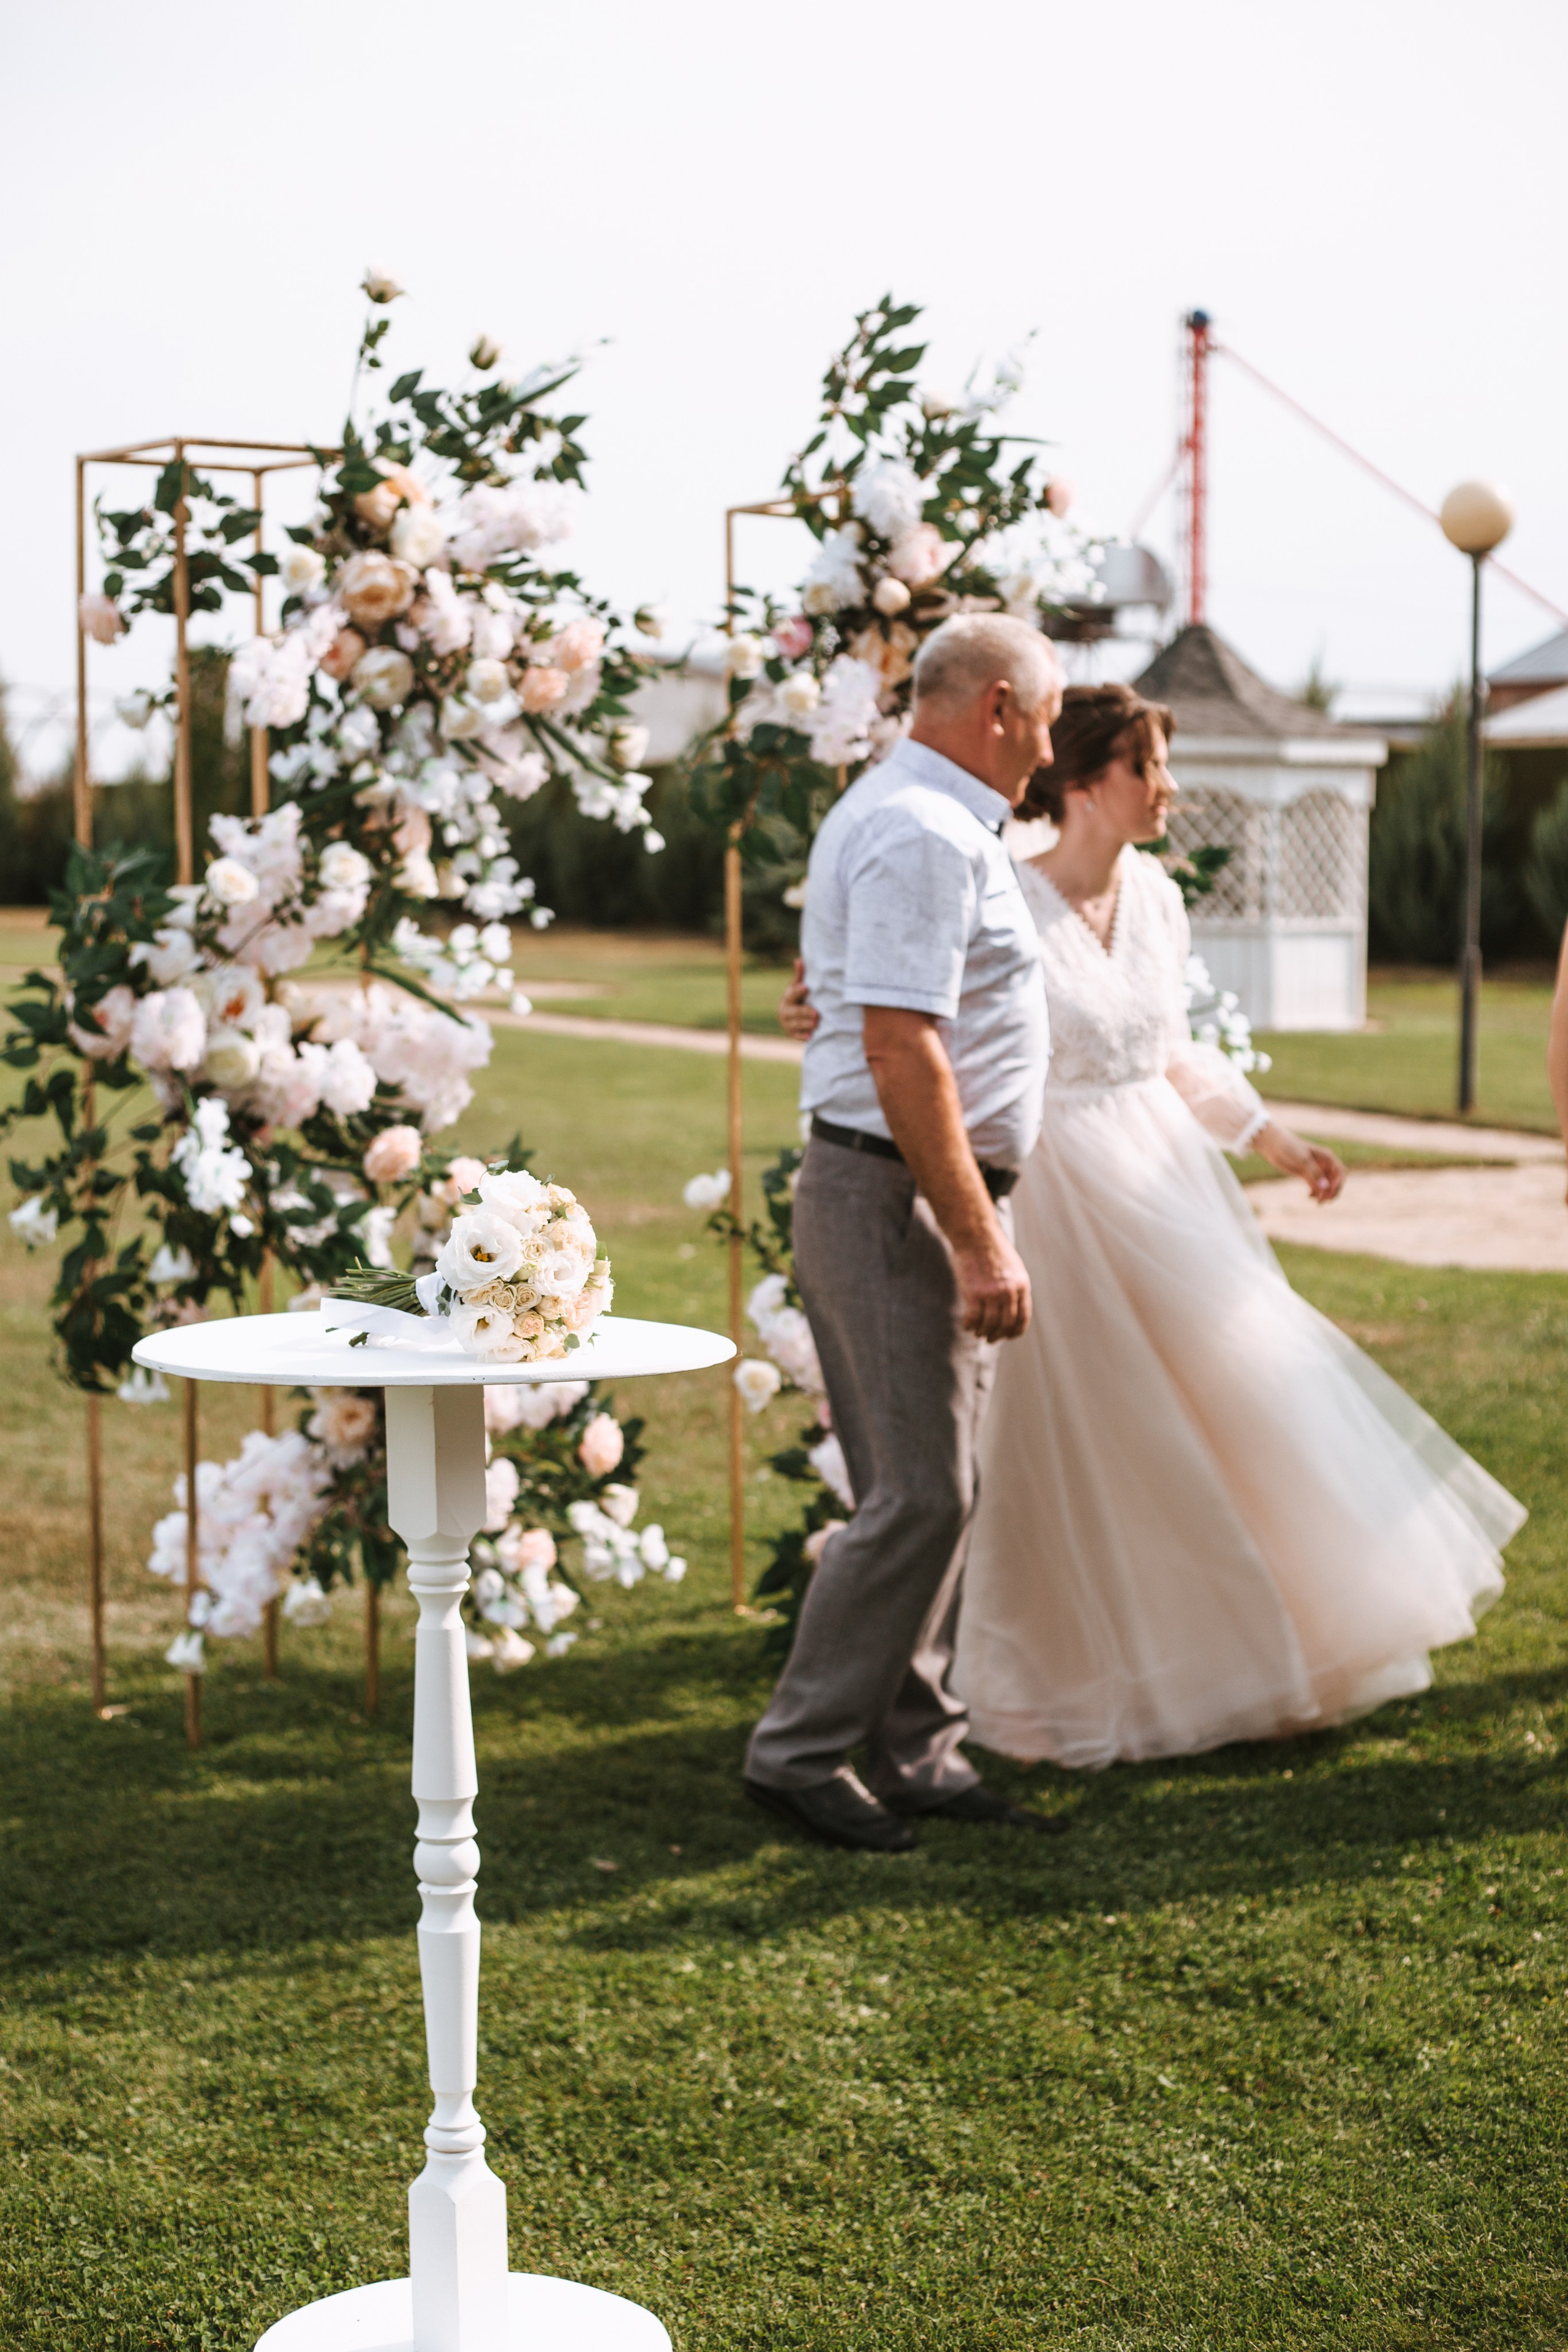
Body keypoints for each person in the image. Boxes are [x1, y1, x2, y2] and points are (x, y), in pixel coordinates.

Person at [780, 680, 1524, 1770]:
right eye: (1149, 769)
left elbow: (1169, 1049)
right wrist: (822, 1002)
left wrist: (1269, 1136)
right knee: (1051, 1450)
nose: (1168, 790)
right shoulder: (1003, 893)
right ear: (1083, 783)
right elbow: (912, 1012)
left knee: (1223, 1418)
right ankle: (1028, 1687)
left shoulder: (1163, 902)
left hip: (1162, 1185)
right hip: (1045, 1191)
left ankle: (1232, 1656)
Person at [744, 614, 1066, 1852]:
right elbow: (897, 1045)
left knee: (930, 1488)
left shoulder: (921, 819)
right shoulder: (921, 830)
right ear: (995, 707)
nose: (1043, 749)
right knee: (920, 1494)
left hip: (904, 1193)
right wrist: (979, 1238)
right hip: (894, 1201)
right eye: (1039, 720)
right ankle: (796, 1754)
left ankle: (917, 1748)